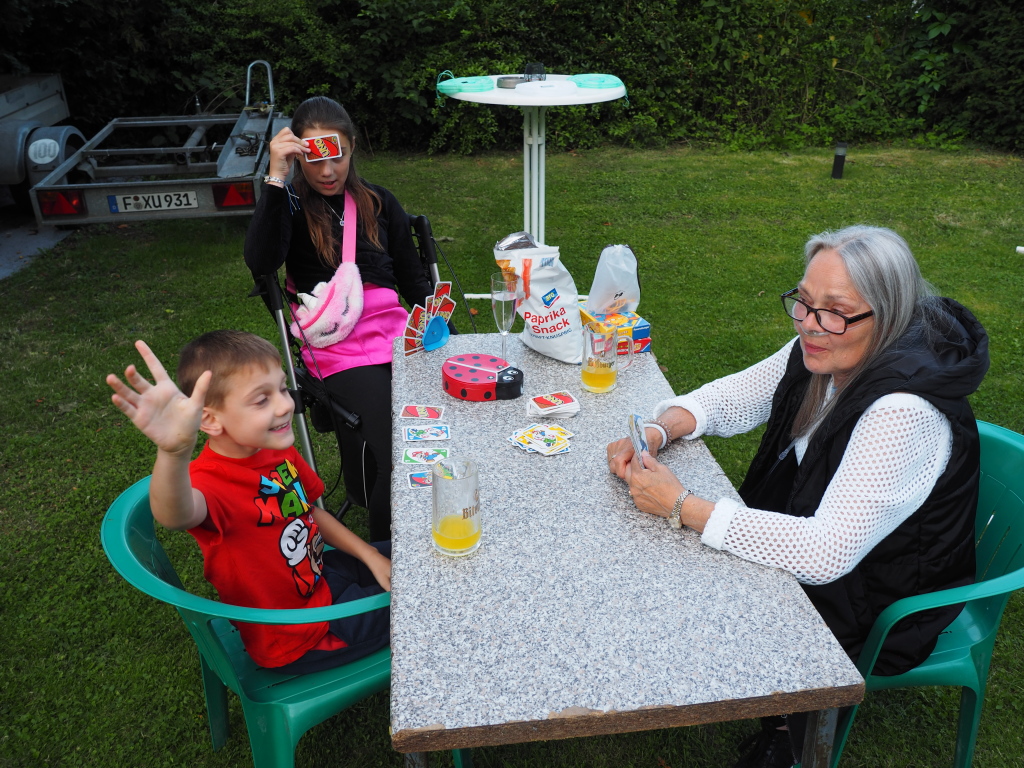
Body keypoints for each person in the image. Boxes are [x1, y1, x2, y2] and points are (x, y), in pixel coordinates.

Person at [606, 225, 989, 768]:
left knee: (679, 599)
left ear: (888, 315)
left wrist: (681, 505)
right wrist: (659, 429)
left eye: (835, 311)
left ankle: (791, 725)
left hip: (881, 600)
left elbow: (824, 554)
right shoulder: (828, 345)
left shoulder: (903, 412)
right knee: (669, 579)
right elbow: (735, 396)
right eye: (804, 302)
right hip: (834, 553)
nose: (810, 323)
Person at [106, 331, 392, 674]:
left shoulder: (274, 448)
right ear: (210, 420)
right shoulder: (208, 483)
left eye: (282, 388)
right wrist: (173, 454)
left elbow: (311, 512)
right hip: (301, 633)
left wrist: (369, 554)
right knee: (427, 600)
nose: (286, 405)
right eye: (261, 400)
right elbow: (174, 515)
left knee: (417, 556)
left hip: (322, 576)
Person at [244, 96, 434, 542]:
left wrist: (446, 337)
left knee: (444, 422)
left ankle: (434, 521)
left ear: (351, 148)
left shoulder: (379, 202)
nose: (328, 172)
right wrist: (276, 177)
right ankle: (387, 557)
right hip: (337, 348)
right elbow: (261, 260)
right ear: (299, 155)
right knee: (398, 449)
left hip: (396, 334)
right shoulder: (290, 204)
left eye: (338, 157)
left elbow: (414, 281)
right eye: (314, 159)